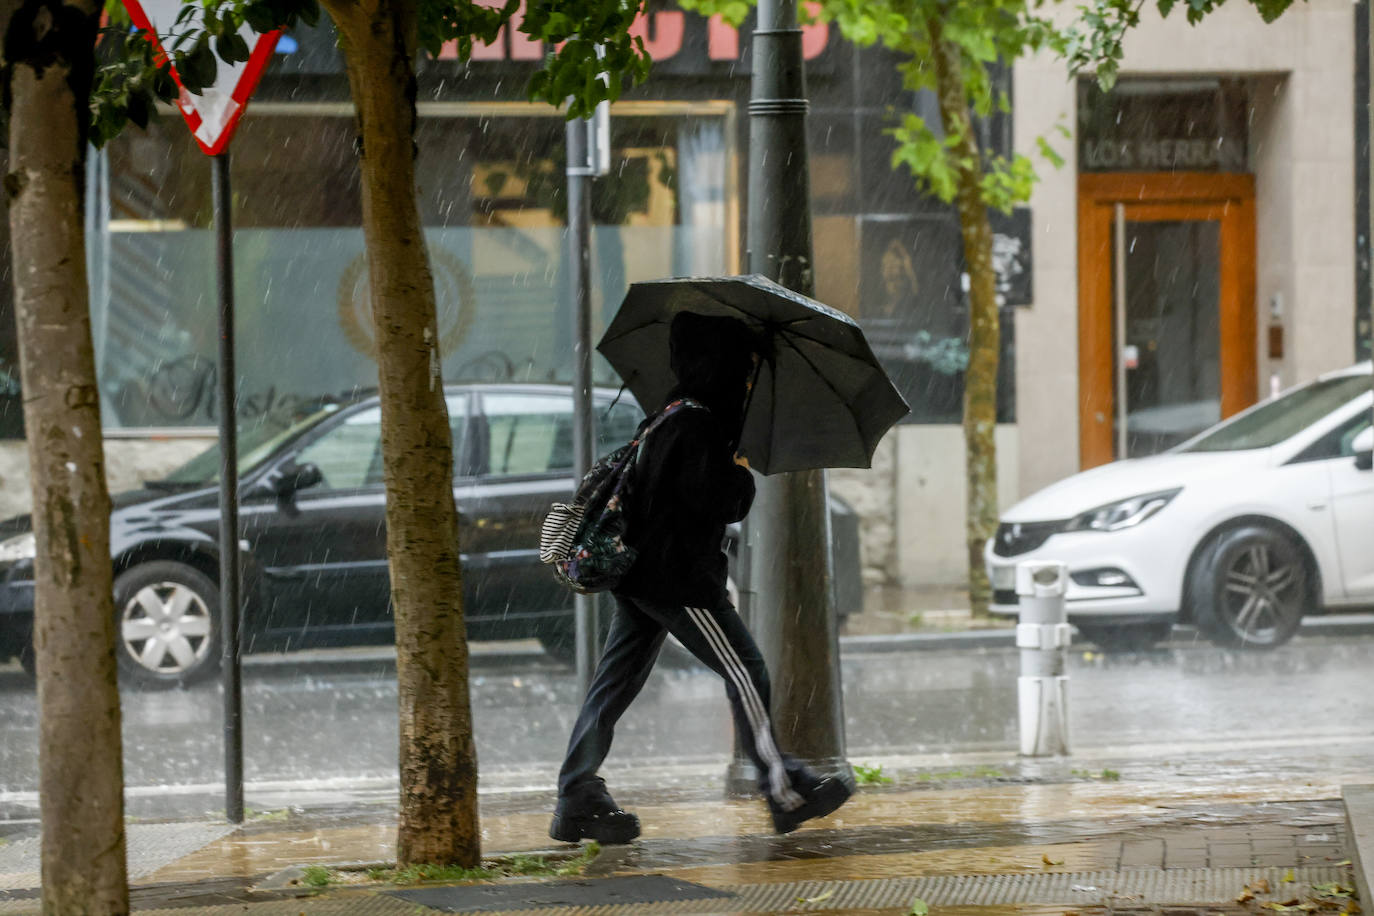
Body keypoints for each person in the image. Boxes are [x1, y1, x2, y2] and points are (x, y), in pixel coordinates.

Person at [550, 311, 852, 846]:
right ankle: (785, 791)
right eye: (743, 368)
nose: (746, 380)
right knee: (747, 671)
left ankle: (576, 794)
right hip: (678, 581)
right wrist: (737, 468)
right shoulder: (699, 425)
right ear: (721, 365)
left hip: (642, 576)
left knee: (613, 685)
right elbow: (719, 502)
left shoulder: (669, 414)